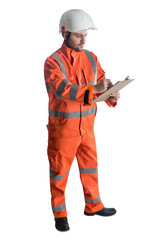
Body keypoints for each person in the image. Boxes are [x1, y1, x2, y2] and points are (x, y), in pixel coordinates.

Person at [44, 9, 120, 232]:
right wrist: (95, 89)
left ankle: (93, 206)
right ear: (65, 33)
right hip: (63, 130)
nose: (84, 41)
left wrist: (110, 93)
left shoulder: (90, 57)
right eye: (79, 36)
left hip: (87, 127)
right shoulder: (53, 62)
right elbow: (62, 90)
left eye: (86, 35)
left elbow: (101, 81)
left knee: (90, 168)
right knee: (59, 172)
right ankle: (60, 214)